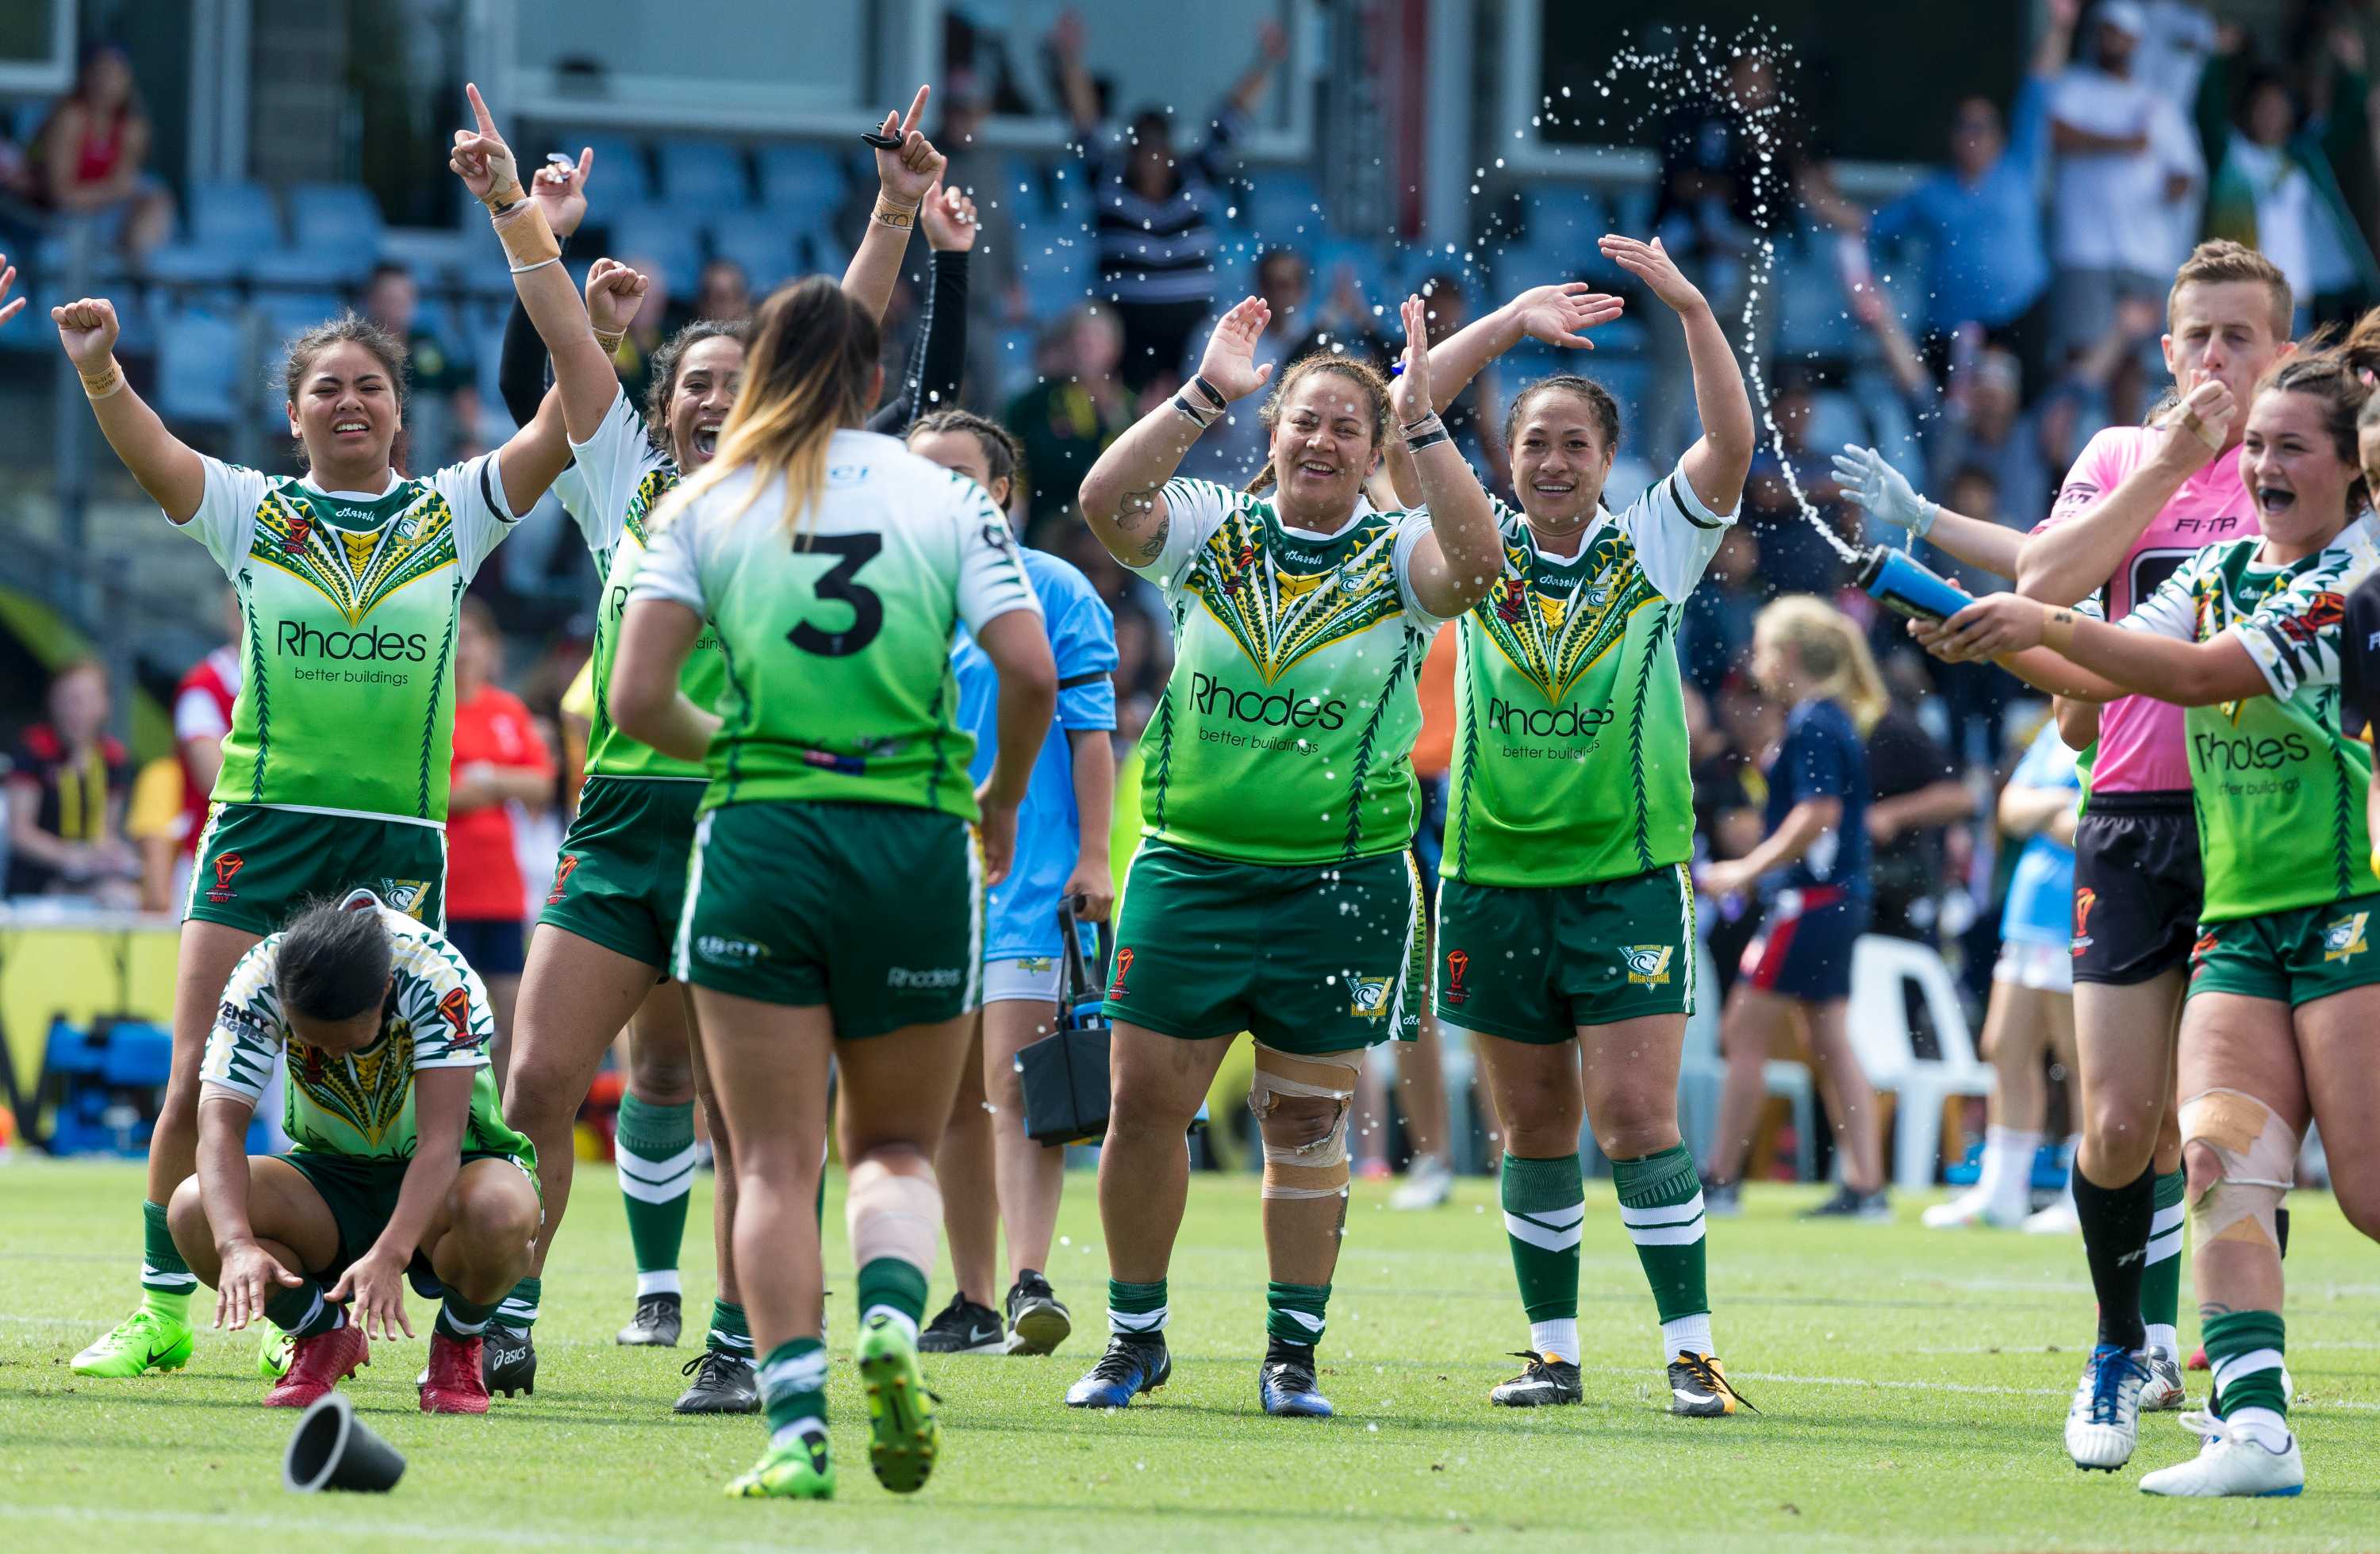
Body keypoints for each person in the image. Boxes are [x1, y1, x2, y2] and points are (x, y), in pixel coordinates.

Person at [63, 82, 619, 1384]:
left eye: (370, 386)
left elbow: (562, 429)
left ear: (400, 414)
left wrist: (579, 307)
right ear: (295, 412)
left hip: (392, 838)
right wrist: (99, 371)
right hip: (260, 822)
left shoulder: (449, 512)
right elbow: (153, 455)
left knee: (389, 1072)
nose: (351, 402)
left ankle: (406, 1281)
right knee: (197, 1067)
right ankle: (160, 1304)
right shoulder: (255, 510)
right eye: (327, 388)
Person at [488, 94, 965, 1410]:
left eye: (731, 382)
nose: (709, 397)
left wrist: (893, 209)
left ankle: (739, 1341)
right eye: (691, 382)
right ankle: (504, 1313)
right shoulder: (619, 479)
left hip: (751, 816)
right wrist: (518, 214)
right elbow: (561, 337)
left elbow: (848, 324)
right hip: (623, 818)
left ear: (768, 396)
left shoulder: (791, 481)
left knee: (750, 1117)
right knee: (535, 1076)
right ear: (662, 405)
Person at [608, 274, 1054, 1500]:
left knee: (767, 1157)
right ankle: (895, 1323)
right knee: (896, 1142)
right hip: (915, 835)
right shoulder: (944, 496)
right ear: (874, 381)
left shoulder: (706, 501)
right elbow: (1029, 672)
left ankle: (797, 1429)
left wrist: (747, 748)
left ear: (758, 372)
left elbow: (634, 698)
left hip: (762, 838)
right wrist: (1002, 797)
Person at [1914, 324, 2380, 1496]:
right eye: (2255, 445)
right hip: (2243, 917)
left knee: (2371, 1195)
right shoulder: (2222, 571)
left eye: (2291, 447)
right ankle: (2256, 1433)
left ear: (2351, 466)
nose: (2262, 465)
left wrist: (2037, 621)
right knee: (2216, 1158)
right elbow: (2104, 671)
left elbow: (2201, 676)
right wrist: (1979, 628)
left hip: (2351, 909)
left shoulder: (2357, 578)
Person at [1063, 290, 1501, 1418]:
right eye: (1305, 419)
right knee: (1142, 1107)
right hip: (1190, 867)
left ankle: (1292, 1353)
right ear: (1273, 429)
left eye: (1348, 427)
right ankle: (1135, 1336)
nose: (1322, 440)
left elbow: (1479, 564)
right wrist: (1206, 390)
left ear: (1371, 449)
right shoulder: (1213, 524)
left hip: (1341, 885)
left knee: (1306, 1120)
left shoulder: (1400, 551)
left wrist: (1423, 421)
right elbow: (1106, 501)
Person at [1407, 236, 1756, 1413]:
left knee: (1636, 1117)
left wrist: (1694, 311)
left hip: (1627, 878)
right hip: (1491, 877)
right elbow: (1407, 414)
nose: (1553, 462)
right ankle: (1552, 1353)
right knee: (1533, 1126)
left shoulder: (1653, 545)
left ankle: (1692, 1354)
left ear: (1610, 460)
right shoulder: (1470, 549)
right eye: (1535, 444)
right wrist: (1507, 323)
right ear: (1506, 460)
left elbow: (1733, 445)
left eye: (1575, 445)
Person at [2011, 237, 2294, 1471]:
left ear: (2283, 349)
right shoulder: (2122, 454)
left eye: (2242, 336)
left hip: (2263, 821)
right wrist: (2171, 462)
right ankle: (2120, 1342)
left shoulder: (2306, 465)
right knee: (2119, 1119)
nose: (2218, 358)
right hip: (2131, 812)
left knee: (2227, 1124)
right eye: (2199, 337)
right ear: (2167, 349)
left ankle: (2242, 1374)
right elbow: (2045, 579)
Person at [907, 409, 1118, 1358]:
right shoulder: (890, 591)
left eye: (960, 475)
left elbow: (1091, 736)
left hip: (1031, 878)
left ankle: (1032, 1277)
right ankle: (973, 1300)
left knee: (1016, 1082)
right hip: (920, 882)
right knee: (950, 1097)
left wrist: (1094, 856)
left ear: (1001, 491)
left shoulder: (1053, 588)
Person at [166, 892, 541, 1413]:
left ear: (385, 990)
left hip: (456, 1174)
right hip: (331, 1175)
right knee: (192, 1209)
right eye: (310, 1043)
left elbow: (441, 1143)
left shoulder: (438, 977)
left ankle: (458, 1346)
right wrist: (234, 1244)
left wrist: (392, 1251)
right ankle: (322, 1335)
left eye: (343, 1043)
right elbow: (219, 1125)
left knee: (498, 1211)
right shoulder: (262, 976)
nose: (325, 1056)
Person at [1699, 599, 1889, 1221]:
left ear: (1788, 656)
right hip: (1835, 898)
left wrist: (1746, 869)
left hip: (1809, 899)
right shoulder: (1829, 719)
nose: (1756, 667)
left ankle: (1720, 1176)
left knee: (1743, 1029)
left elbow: (1818, 814)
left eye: (1761, 652)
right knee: (1827, 1037)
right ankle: (1866, 1185)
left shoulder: (1813, 722)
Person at [1050, 8, 1288, 393]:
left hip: (1191, 331)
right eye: (1142, 147)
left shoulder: (1196, 178)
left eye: (1158, 147)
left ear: (1171, 151)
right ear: (1131, 151)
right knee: (1096, 348)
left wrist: (1267, 61)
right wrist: (1069, 58)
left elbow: (1231, 118)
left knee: (1213, 364)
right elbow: (1085, 124)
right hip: (1124, 331)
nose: (1151, 157)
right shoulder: (1109, 182)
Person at [1925, 712, 2087, 1230]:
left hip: (2082, 914)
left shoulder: (2118, 717)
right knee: (2005, 1046)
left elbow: (2091, 825)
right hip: (2028, 917)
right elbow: (2010, 810)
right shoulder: (2054, 729)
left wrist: (2045, 808)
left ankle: (2084, 1198)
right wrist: (2060, 805)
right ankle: (2000, 1193)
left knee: (2082, 1060)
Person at [2048, 0, 2205, 361]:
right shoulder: (2073, 85)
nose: (2110, 41)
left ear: (2136, 41)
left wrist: (2174, 188)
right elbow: (2057, 135)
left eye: (2119, 34)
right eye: (2105, 32)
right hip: (2084, 248)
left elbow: (2185, 172)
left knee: (2135, 361)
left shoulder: (2157, 102)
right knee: (2082, 352)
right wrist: (2123, 143)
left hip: (2144, 253)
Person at [443, 596, 554, 1076]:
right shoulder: (431, 709)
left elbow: (543, 783)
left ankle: (504, 1116)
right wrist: (502, 783)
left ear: (492, 647)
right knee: (448, 1021)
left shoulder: (507, 709)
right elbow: (436, 795)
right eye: (455, 637)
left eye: (472, 638)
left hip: (500, 894)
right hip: (447, 891)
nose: (463, 649)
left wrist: (485, 779)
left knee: (512, 1020)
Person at [6, 658, 137, 902]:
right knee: (111, 897)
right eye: (69, 700)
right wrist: (71, 856)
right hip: (38, 881)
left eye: (88, 699)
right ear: (53, 703)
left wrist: (114, 855)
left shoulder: (112, 758)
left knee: (128, 896)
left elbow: (105, 832)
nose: (78, 710)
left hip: (86, 877)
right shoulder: (35, 750)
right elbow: (21, 833)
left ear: (105, 705)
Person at [30, 44, 175, 261]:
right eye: (102, 73)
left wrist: (116, 191)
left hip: (103, 211)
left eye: (117, 74)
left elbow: (121, 186)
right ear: (87, 76)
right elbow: (61, 195)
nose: (108, 82)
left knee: (157, 199)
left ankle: (138, 268)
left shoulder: (132, 128)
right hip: (55, 215)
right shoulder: (71, 119)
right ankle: (136, 269)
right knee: (145, 197)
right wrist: (113, 191)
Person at [165, 592, 244, 915]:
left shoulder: (294, 683)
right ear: (233, 618)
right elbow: (214, 779)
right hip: (211, 860)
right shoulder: (203, 686)